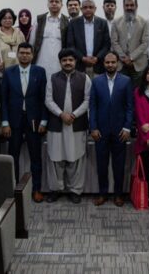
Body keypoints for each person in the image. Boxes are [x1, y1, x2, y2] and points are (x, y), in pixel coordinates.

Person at [0, 43, 48, 202]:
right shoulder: (9, 72)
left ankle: (37, 189)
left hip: (34, 121)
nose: (24, 55)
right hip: (14, 121)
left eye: (28, 53)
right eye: (22, 53)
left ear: (32, 55)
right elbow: (4, 99)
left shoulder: (40, 72)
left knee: (36, 157)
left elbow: (44, 98)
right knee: (13, 156)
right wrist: (5, 122)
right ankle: (14, 189)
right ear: (17, 54)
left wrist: (44, 120)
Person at [45, 49, 91, 203]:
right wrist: (61, 114)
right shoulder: (53, 78)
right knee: (55, 158)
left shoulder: (85, 78)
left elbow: (88, 100)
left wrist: (74, 115)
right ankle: (55, 189)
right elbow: (48, 100)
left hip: (76, 124)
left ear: (75, 61)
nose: (67, 63)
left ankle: (75, 190)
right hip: (57, 124)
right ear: (60, 62)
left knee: (76, 158)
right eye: (64, 60)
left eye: (70, 60)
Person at [89, 52, 132, 207]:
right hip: (100, 131)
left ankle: (118, 195)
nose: (110, 65)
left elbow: (129, 107)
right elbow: (92, 106)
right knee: (102, 164)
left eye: (113, 62)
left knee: (119, 165)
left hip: (120, 131)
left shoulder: (126, 81)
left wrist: (127, 127)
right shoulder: (96, 81)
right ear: (103, 63)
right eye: (107, 62)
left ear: (118, 63)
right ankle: (103, 194)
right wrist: (93, 127)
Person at [65, 0, 111, 76]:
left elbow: (106, 45)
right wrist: (82, 58)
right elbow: (70, 45)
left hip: (98, 65)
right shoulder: (73, 23)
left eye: (90, 7)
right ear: (81, 9)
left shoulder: (103, 23)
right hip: (79, 66)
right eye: (85, 7)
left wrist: (97, 58)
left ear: (95, 9)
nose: (88, 9)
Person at [111, 0, 149, 78]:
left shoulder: (144, 22)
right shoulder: (116, 22)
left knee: (138, 86)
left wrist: (131, 57)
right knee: (121, 86)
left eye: (132, 5)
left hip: (139, 63)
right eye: (127, 5)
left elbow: (145, 43)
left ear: (136, 6)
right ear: (123, 6)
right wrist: (124, 57)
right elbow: (114, 42)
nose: (129, 7)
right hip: (121, 63)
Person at [34, 0, 69, 75]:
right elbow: (32, 42)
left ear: (61, 5)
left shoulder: (67, 21)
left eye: (57, 2)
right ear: (47, 4)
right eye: (51, 1)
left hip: (59, 63)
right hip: (41, 61)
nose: (54, 4)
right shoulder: (39, 20)